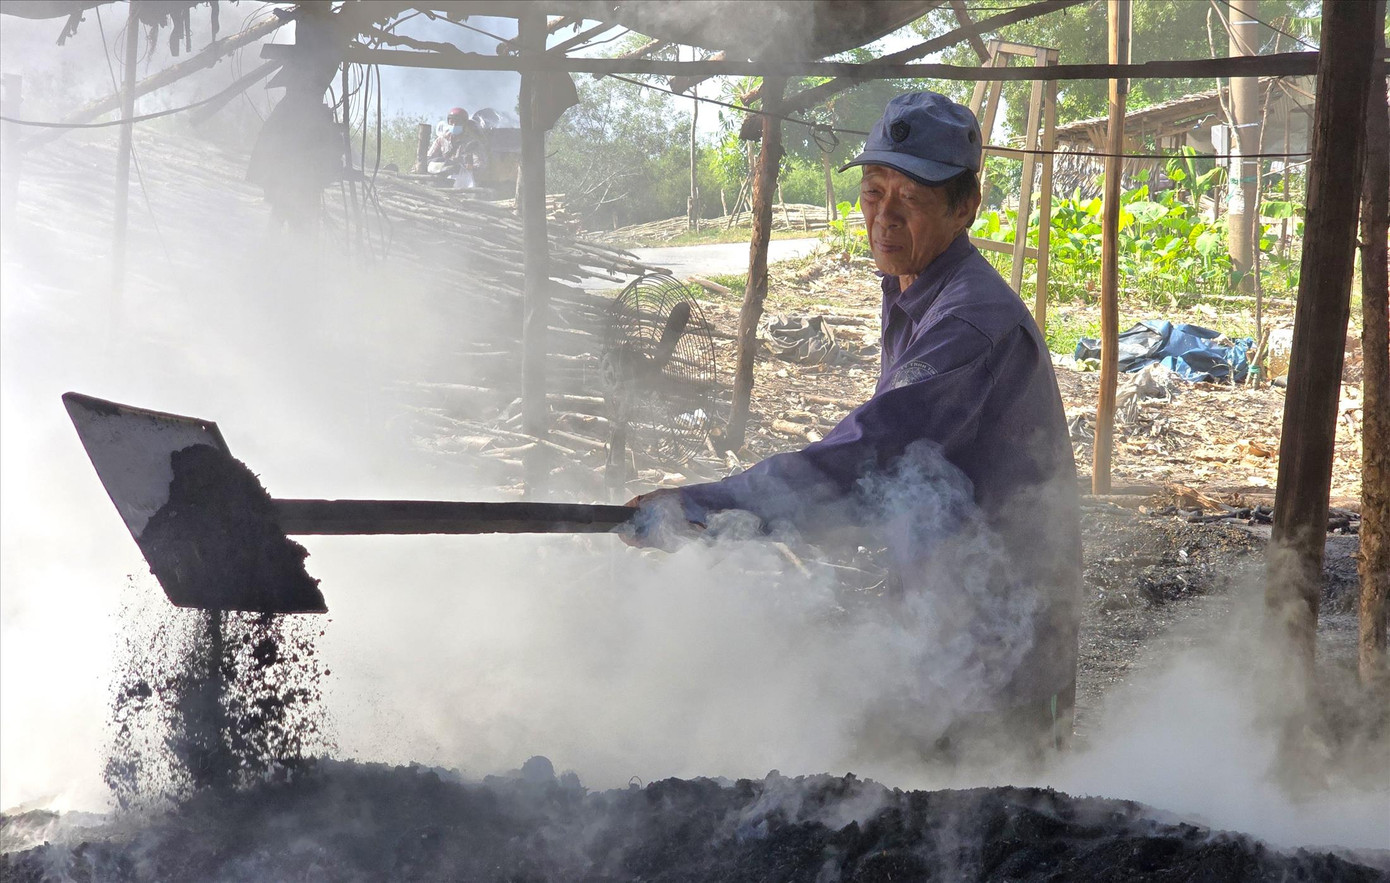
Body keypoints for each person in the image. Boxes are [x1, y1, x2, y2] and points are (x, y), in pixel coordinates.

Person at [628, 91, 1082, 760]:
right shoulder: (913, 290)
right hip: (941, 622)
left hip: (998, 651)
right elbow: (907, 480)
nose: (884, 216)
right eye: (873, 192)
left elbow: (872, 454)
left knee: (986, 809)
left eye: (911, 199)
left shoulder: (968, 323)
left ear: (965, 207)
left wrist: (707, 507)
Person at [427, 106, 482, 188]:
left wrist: (462, 167)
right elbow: (429, 157)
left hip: (463, 178)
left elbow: (479, 165)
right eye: (451, 121)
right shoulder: (442, 139)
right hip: (441, 175)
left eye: (458, 122)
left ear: (464, 124)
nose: (454, 125)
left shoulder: (472, 142)